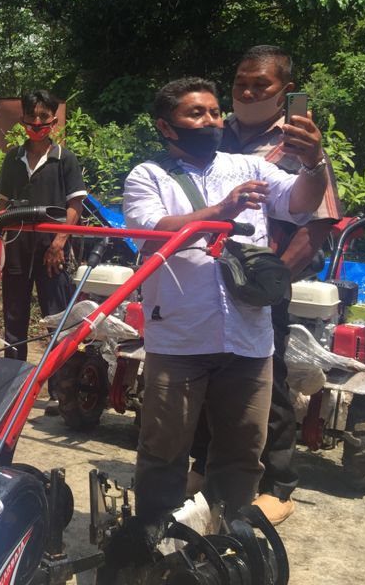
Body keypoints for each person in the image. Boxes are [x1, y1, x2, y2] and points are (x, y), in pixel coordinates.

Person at [122, 76, 327, 524]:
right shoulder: (148, 175)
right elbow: (149, 231)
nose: (211, 121)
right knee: (164, 450)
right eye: (196, 113)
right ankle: (153, 539)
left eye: (215, 112)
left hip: (248, 338)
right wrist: (220, 212)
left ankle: (224, 540)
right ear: (166, 126)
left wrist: (314, 163)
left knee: (242, 452)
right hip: (179, 337)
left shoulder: (248, 167)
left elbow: (300, 202)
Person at [186, 46, 343, 525]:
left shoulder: (300, 142)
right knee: (206, 373)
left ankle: (278, 485)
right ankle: (204, 468)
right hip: (207, 279)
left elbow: (319, 221)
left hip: (262, 283)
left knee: (266, 380)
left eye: (261, 84)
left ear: (285, 90)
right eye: (241, 83)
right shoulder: (214, 131)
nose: (249, 92)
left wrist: (274, 278)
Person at [0, 89, 87, 413]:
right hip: (17, 245)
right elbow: (2, 204)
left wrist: (60, 242)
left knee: (56, 318)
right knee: (14, 317)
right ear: (22, 119)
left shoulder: (65, 159)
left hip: (52, 249)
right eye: (31, 116)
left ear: (53, 121)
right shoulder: (12, 159)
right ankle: (12, 384)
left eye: (43, 117)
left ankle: (60, 390)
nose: (37, 123)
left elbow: (75, 205)